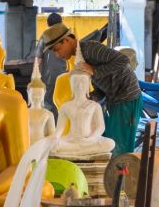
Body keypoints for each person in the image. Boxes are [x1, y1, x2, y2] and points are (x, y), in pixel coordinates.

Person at [42, 21, 142, 156]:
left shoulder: (90, 48)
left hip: (126, 97)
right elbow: (102, 84)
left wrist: (94, 70)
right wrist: (91, 97)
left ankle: (122, 175)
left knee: (119, 144)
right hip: (113, 99)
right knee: (110, 138)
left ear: (66, 40)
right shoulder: (78, 58)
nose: (57, 55)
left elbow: (123, 60)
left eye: (57, 49)